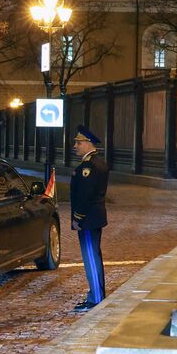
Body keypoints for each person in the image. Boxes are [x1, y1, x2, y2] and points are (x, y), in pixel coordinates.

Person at [70, 125, 109, 312]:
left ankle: (96, 299)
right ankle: (96, 294)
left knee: (91, 258)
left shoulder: (88, 166)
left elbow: (84, 195)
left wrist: (77, 217)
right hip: (95, 217)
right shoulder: (98, 162)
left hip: (88, 219)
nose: (75, 146)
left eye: (79, 142)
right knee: (94, 256)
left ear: (88, 143)